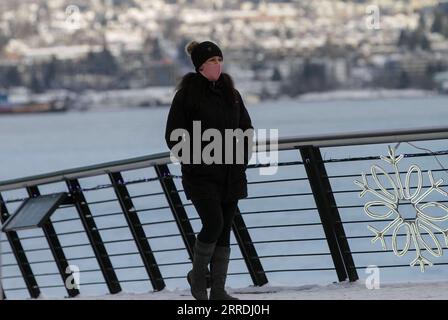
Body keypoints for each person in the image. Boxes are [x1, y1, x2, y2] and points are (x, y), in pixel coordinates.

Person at [164, 40, 254, 300]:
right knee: (213, 223)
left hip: (231, 174)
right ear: (200, 66)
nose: (217, 65)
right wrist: (195, 161)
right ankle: (197, 279)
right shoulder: (187, 95)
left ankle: (217, 291)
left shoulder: (231, 94)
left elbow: (246, 130)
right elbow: (173, 135)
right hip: (201, 176)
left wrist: (240, 161)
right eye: (211, 61)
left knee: (225, 229)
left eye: (219, 60)